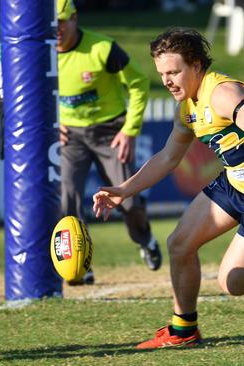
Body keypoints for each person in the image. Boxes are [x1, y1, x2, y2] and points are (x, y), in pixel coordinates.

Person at [93, 28, 244, 349]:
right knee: (179, 244)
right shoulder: (187, 109)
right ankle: (184, 331)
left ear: (196, 65)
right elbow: (167, 158)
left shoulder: (222, 93)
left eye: (173, 71)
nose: (166, 80)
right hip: (234, 182)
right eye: (162, 73)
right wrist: (123, 189)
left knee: (232, 282)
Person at [56, 0, 161, 284]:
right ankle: (76, 266)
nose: (57, 29)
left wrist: (130, 129)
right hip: (70, 136)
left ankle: (146, 240)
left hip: (110, 133)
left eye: (62, 21)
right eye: (51, 23)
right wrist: (54, 124)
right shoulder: (40, 54)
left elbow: (139, 82)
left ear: (75, 18)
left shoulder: (103, 48)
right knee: (68, 199)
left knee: (127, 199)